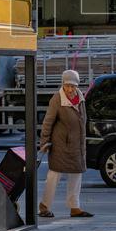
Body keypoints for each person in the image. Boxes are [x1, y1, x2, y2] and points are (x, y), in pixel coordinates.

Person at [38, 69, 93, 218]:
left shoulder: (80, 98)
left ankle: (75, 207)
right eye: (67, 85)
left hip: (76, 144)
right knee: (54, 175)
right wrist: (44, 141)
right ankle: (44, 206)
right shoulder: (57, 99)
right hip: (60, 145)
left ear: (77, 86)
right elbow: (48, 122)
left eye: (73, 86)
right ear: (63, 84)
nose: (70, 89)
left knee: (76, 175)